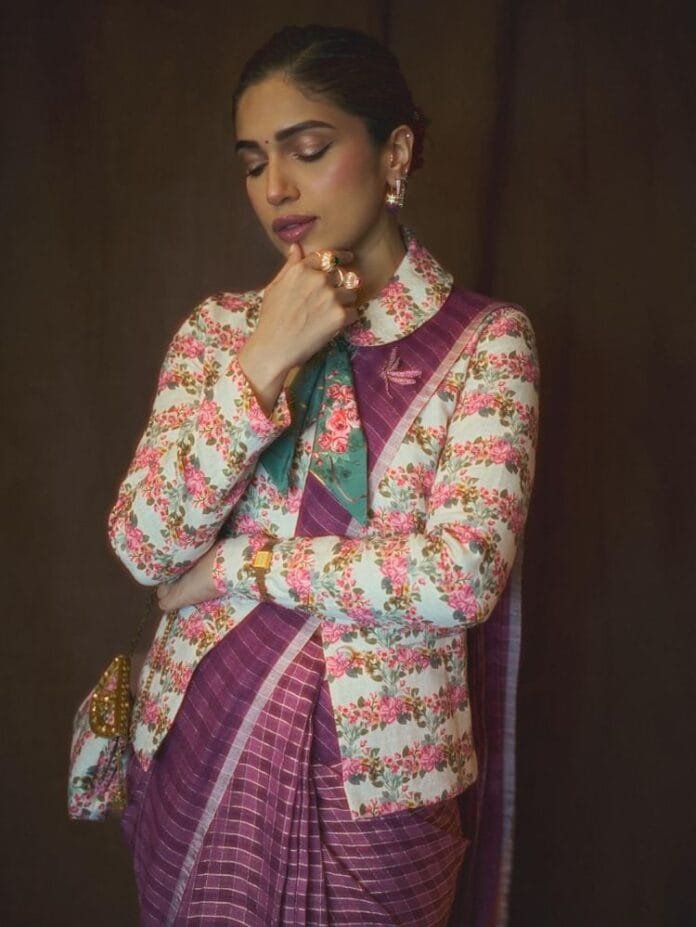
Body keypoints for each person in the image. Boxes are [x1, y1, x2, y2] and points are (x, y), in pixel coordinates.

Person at [108, 24, 539, 927]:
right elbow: (146, 548)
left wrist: (241, 566)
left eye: (307, 150)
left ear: (396, 153)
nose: (276, 187)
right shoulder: (220, 334)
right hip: (200, 747)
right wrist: (263, 360)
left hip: (377, 793)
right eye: (253, 162)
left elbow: (459, 576)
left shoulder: (484, 344)